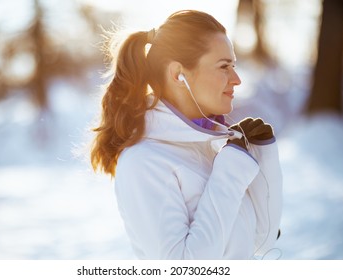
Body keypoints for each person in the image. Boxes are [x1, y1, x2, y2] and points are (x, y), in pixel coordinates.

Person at [90, 10, 282, 259]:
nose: (236, 79)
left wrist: (262, 156)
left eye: (234, 66)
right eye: (224, 66)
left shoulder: (212, 149)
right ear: (178, 74)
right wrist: (231, 171)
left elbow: (262, 242)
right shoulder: (144, 162)